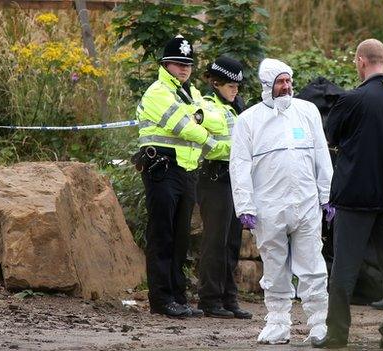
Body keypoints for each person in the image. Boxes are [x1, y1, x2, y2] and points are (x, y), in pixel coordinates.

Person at [312, 39, 383, 349]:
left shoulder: (351, 100)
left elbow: (331, 136)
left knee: (344, 267)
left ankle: (338, 334)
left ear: (361, 61)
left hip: (355, 197)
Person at [229, 58, 334, 344]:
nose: (287, 86)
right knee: (275, 267)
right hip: (268, 208)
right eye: (280, 82)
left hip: (306, 203)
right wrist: (245, 206)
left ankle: (318, 324)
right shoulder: (248, 120)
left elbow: (321, 156)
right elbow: (239, 165)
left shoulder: (307, 111)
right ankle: (278, 323)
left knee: (312, 265)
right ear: (267, 86)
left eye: (288, 80)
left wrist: (327, 195)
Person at [135, 35, 229, 318]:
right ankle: (161, 300)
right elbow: (183, 127)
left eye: (187, 64)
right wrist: (210, 140)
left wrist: (195, 115)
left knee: (180, 238)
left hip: (186, 171)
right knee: (162, 235)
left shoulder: (190, 92)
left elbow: (217, 119)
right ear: (165, 65)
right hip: (162, 170)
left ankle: (177, 297)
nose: (184, 69)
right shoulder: (157, 92)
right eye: (178, 64)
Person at [196, 56, 252, 319]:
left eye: (238, 86)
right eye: (231, 85)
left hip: (234, 179)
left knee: (231, 242)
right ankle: (209, 299)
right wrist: (237, 150)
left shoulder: (235, 106)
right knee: (214, 242)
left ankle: (229, 298)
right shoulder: (207, 106)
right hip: (214, 177)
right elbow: (206, 143)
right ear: (216, 82)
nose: (236, 89)